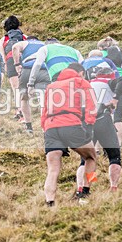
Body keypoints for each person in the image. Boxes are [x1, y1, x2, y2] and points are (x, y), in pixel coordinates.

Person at [41, 63, 98, 205]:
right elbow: (91, 103)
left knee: (53, 169)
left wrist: (45, 128)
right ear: (80, 72)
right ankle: (86, 190)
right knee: (91, 157)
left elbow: (44, 111)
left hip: (51, 127)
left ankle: (49, 202)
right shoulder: (80, 81)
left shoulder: (51, 86)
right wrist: (89, 123)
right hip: (71, 123)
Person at [78, 53, 122, 192]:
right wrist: (115, 98)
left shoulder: (88, 84)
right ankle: (113, 187)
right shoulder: (109, 81)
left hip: (86, 122)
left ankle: (83, 187)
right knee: (114, 157)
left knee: (86, 159)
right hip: (103, 119)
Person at [12, 36, 49, 134]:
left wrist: (16, 64)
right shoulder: (44, 45)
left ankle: (28, 126)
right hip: (42, 69)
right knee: (43, 100)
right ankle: (45, 127)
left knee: (24, 98)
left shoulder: (25, 43)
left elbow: (15, 47)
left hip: (27, 69)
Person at [97, 36, 122, 144]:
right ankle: (118, 145)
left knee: (103, 116)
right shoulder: (119, 52)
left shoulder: (102, 55)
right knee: (118, 118)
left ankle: (99, 148)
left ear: (101, 48)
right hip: (121, 83)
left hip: (109, 84)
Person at [0, 16, 26, 121]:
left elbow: (2, 55)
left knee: (15, 87)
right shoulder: (24, 36)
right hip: (24, 61)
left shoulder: (4, 39)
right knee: (24, 86)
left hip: (10, 60)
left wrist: (5, 67)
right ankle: (25, 109)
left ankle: (19, 110)